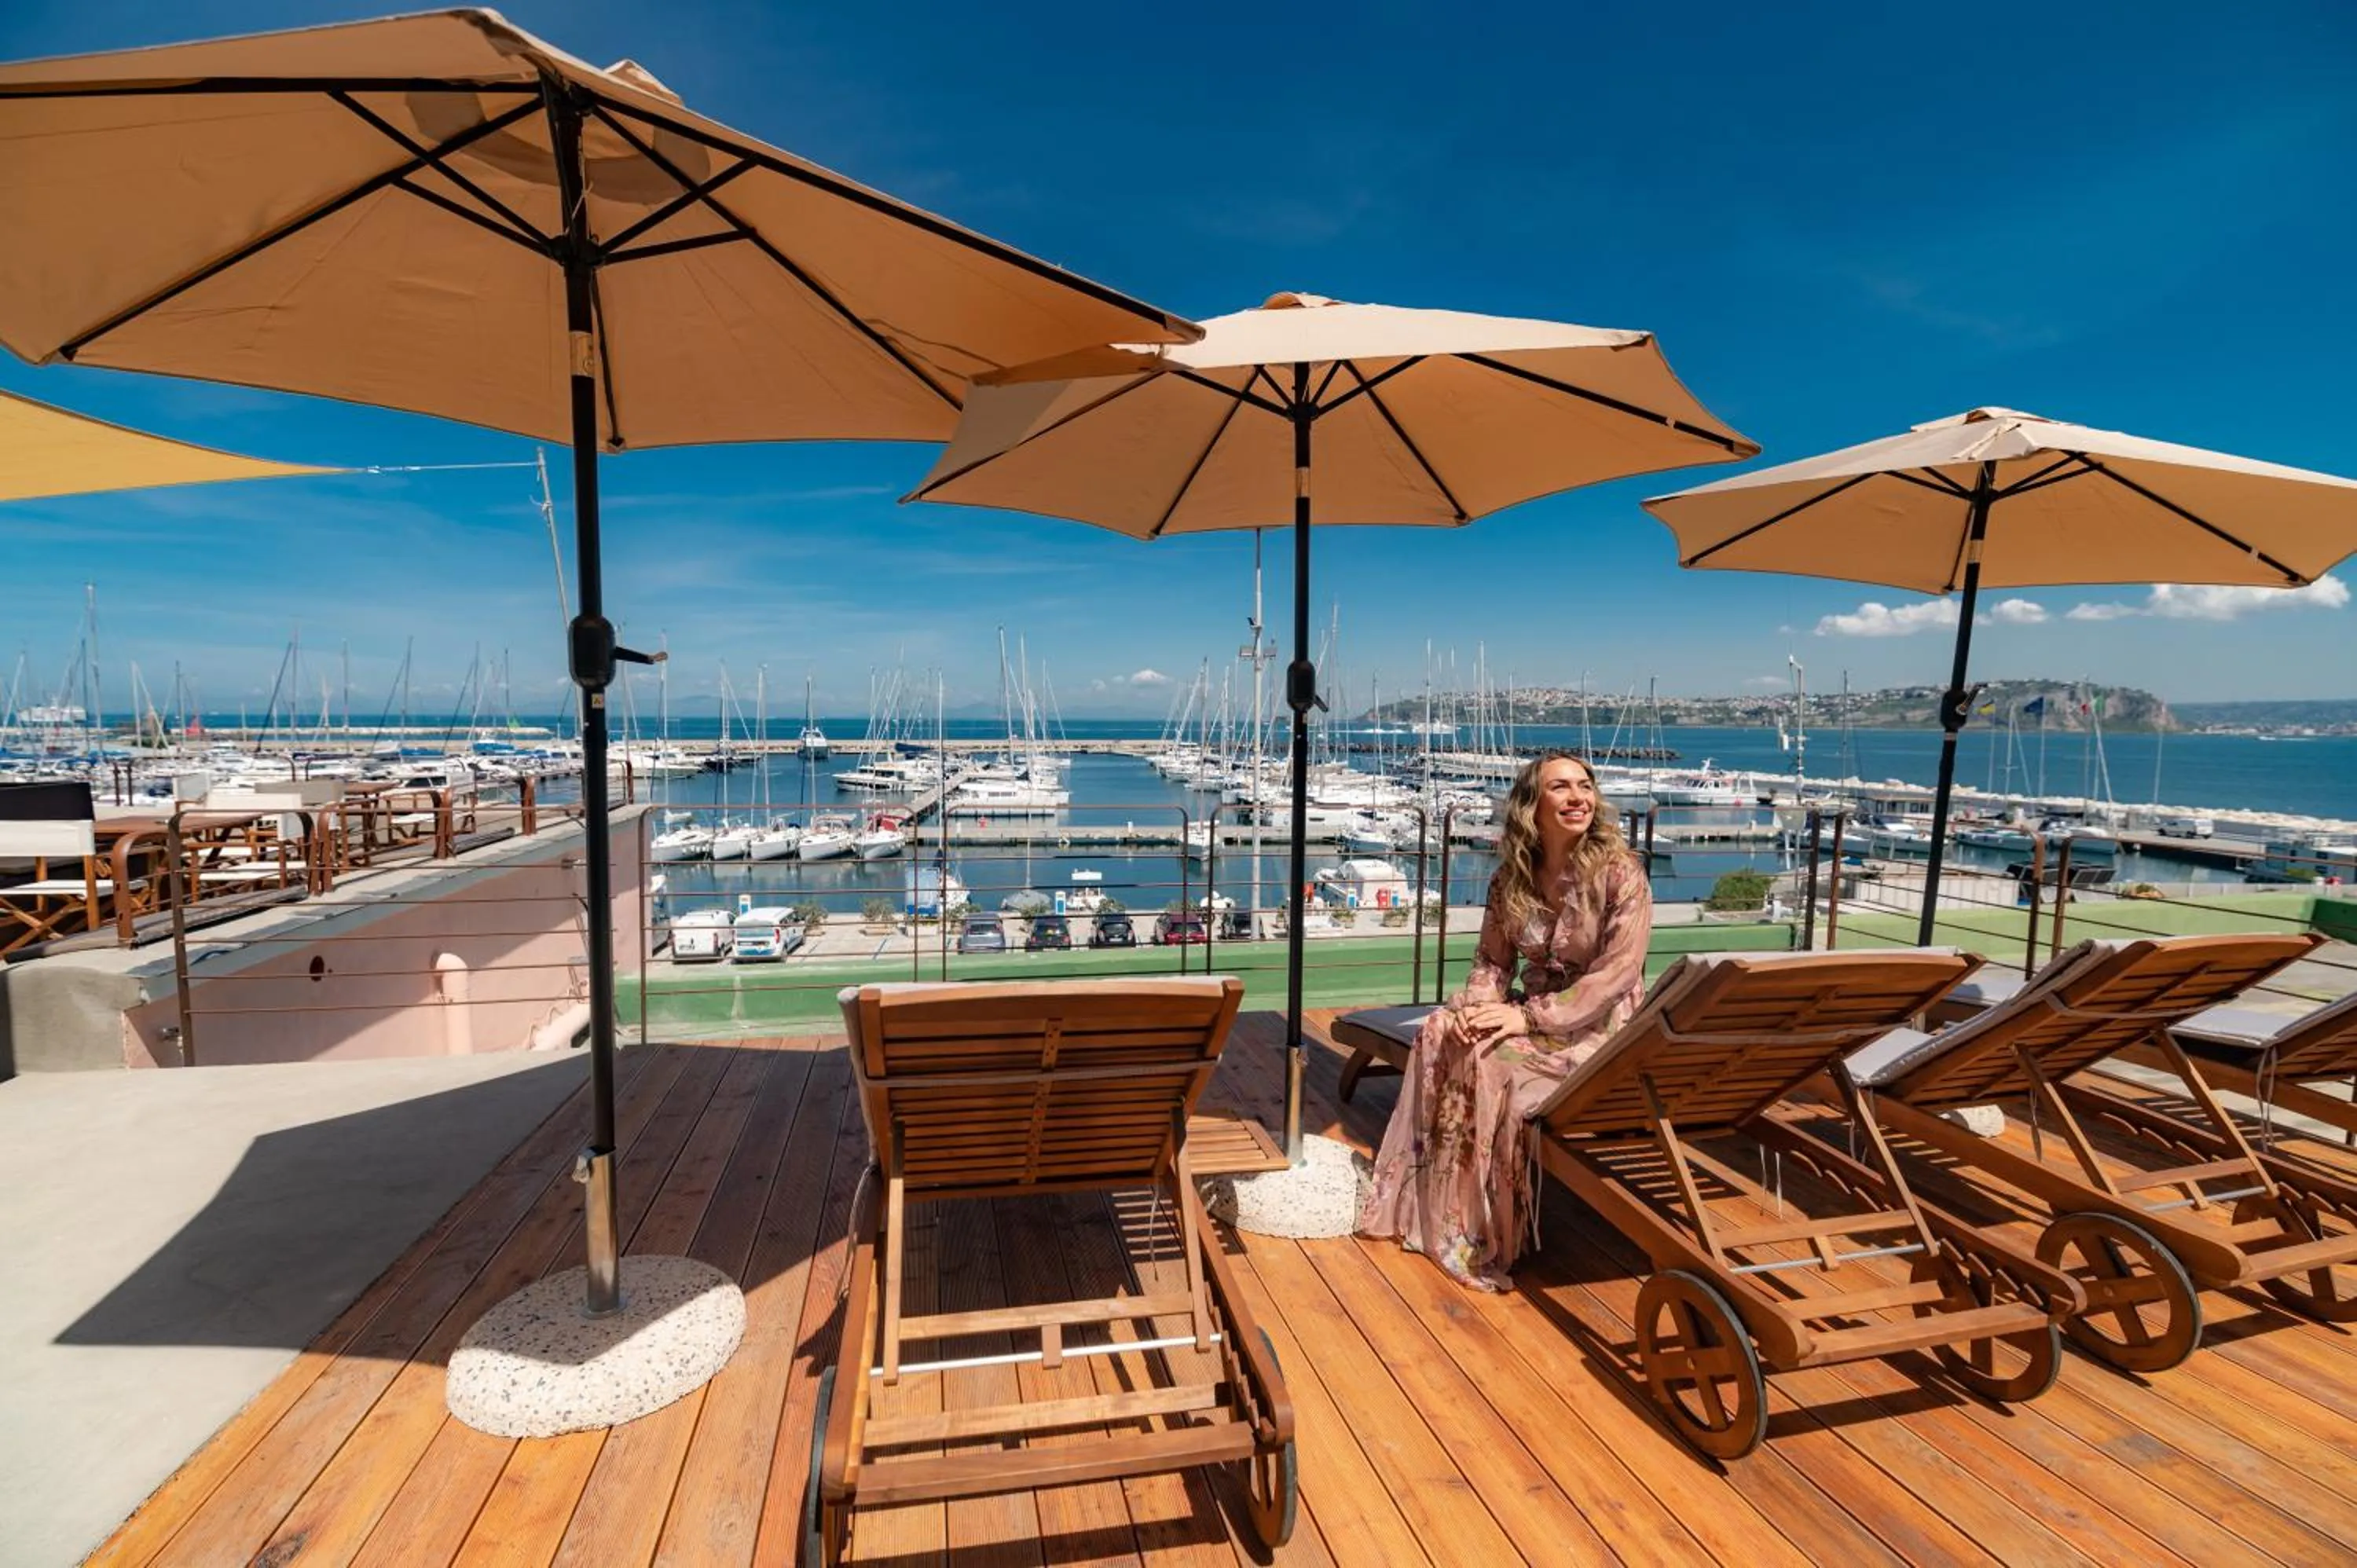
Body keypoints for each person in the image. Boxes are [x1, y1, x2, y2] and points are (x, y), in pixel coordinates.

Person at [1359, 752, 1653, 1290]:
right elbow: (1493, 961)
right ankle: (1442, 1207)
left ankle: (1490, 1230)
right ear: (1531, 805)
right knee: (1442, 1033)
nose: (1577, 797)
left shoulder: (1621, 875)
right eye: (1560, 788)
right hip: (1529, 1012)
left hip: (1601, 1027)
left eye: (1584, 786)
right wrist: (1476, 1008)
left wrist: (1525, 1017)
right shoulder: (1510, 879)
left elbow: (1617, 975)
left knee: (1491, 1064)